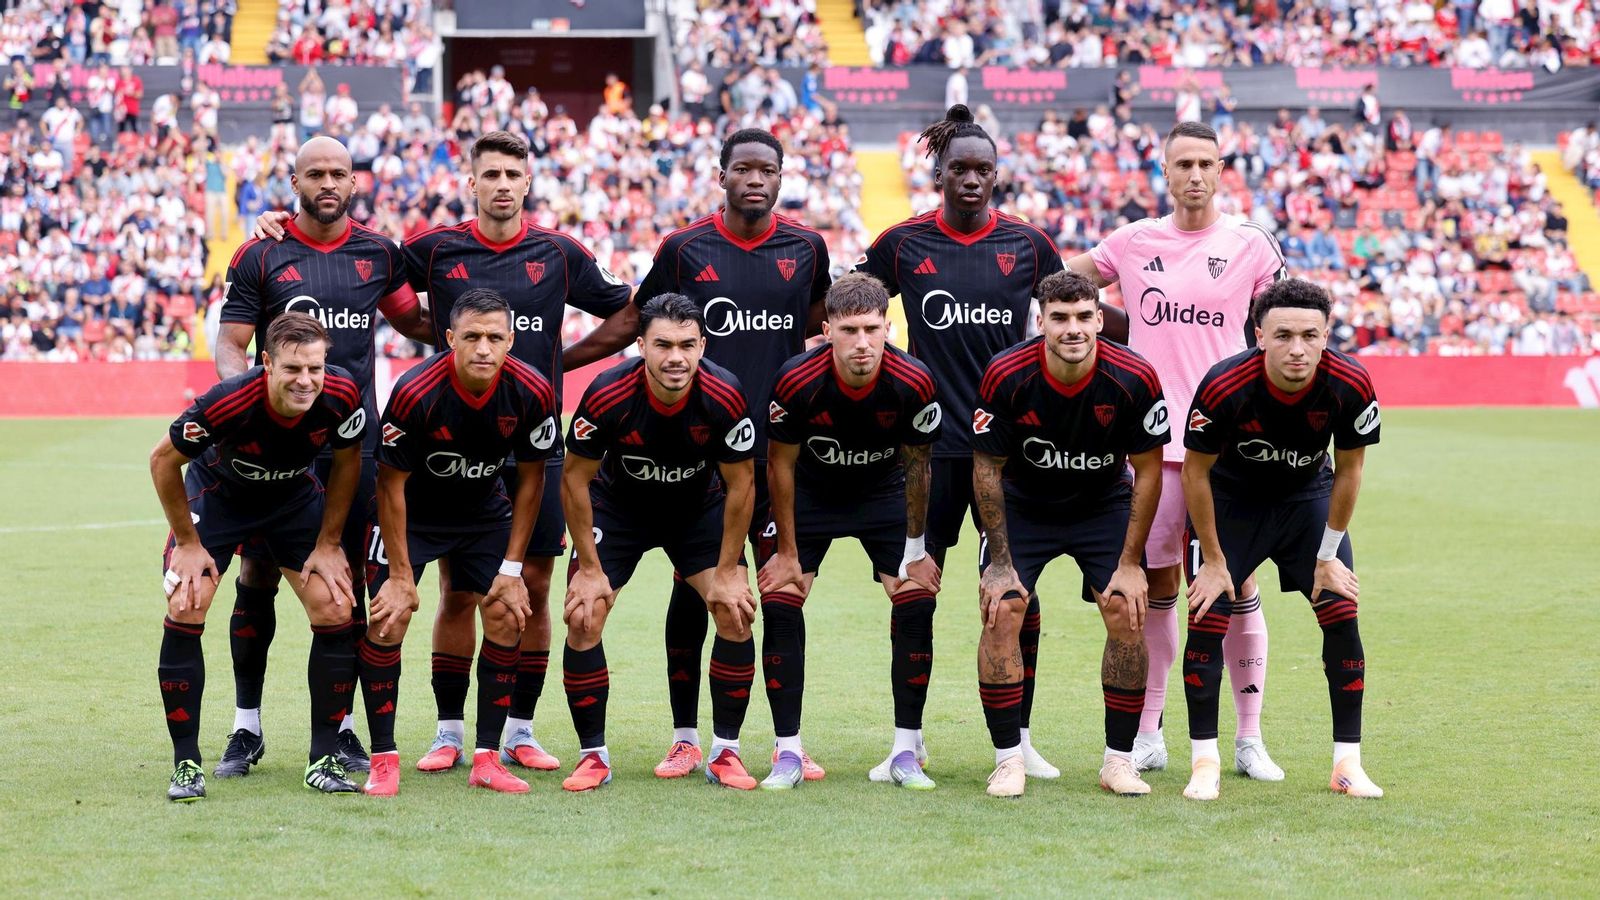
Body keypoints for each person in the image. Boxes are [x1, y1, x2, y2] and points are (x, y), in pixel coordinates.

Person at [253, 130, 636, 777]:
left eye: (514, 174)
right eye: (492, 175)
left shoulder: (560, 253)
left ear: (529, 182)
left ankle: (517, 730)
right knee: (457, 594)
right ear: (473, 183)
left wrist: (559, 361)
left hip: (530, 440)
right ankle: (450, 733)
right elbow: (361, 263)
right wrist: (283, 231)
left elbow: (627, 311)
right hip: (444, 444)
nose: (504, 185)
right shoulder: (434, 251)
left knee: (530, 588)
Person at [565, 128, 831, 782]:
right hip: (680, 457)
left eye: (766, 169)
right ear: (722, 174)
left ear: (781, 175)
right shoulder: (685, 249)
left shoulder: (807, 247)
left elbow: (823, 322)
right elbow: (636, 319)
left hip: (768, 456)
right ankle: (686, 739)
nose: (754, 179)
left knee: (771, 598)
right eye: (742, 167)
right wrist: (560, 362)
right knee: (693, 596)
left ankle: (782, 743)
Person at [1064, 120, 1289, 781]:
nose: (1194, 174)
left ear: (1223, 170)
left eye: (1206, 163)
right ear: (1164, 173)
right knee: (1158, 589)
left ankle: (1248, 738)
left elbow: (1281, 325)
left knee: (1238, 585)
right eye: (1182, 164)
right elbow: (1063, 282)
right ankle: (1149, 732)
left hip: (1227, 448)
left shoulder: (1249, 246)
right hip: (1151, 445)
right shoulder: (1132, 242)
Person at [856, 103, 1066, 781]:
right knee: (915, 593)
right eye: (959, 168)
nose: (971, 179)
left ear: (997, 175)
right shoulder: (903, 244)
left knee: (1015, 595)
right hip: (927, 453)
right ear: (939, 173)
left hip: (1008, 455)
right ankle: (905, 742)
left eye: (983, 169)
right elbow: (850, 309)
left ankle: (1021, 739)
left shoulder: (1030, 245)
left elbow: (1069, 322)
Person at [215, 136, 432, 780]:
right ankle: (245, 727)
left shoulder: (377, 252)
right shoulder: (261, 252)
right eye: (316, 174)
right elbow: (232, 346)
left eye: (339, 172)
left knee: (348, 587)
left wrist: (496, 329)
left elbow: (414, 322)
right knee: (256, 579)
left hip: (352, 448)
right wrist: (240, 403)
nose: (328, 183)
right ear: (294, 181)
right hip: (278, 447)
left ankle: (337, 731)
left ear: (355, 181)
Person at [1178, 278, 1383, 801]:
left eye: (1310, 335)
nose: (1298, 348)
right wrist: (1216, 561)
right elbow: (1195, 474)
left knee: (1342, 612)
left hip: (1305, 500)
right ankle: (1205, 761)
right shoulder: (1224, 385)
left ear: (1326, 334)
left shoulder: (1351, 383)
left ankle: (1347, 764)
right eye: (1284, 334)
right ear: (1259, 336)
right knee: (1208, 613)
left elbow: (1350, 469)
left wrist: (1328, 554)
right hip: (1231, 502)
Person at [151, 312, 368, 801]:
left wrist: (329, 543)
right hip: (220, 498)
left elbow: (349, 460)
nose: (306, 380)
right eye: (293, 369)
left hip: (292, 500)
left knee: (336, 605)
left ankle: (322, 759)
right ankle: (187, 765)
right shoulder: (230, 401)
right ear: (266, 362)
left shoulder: (341, 394)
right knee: (187, 601)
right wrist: (187, 543)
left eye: (314, 367)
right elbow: (163, 459)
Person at [969, 271, 1169, 798]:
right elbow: (987, 468)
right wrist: (1000, 562)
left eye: (1084, 317)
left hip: (1101, 505)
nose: (1073, 328)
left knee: (1127, 609)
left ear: (1100, 320)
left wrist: (1129, 563)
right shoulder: (1006, 374)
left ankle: (1118, 762)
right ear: (1042, 322)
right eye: (1060, 318)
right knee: (1003, 607)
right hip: (1023, 505)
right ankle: (1008, 760)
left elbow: (1148, 471)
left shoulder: (1134, 376)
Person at [360, 289, 562, 796]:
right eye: (471, 336)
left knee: (505, 610)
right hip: (414, 513)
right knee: (388, 617)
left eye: (496, 337)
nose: (484, 348)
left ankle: (488, 758)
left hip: (483, 509)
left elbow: (533, 479)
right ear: (450, 338)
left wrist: (512, 570)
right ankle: (385, 758)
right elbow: (390, 484)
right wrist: (402, 576)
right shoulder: (415, 391)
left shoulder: (532, 391)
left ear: (511, 340)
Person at [559, 294, 758, 792]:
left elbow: (742, 485)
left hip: (697, 510)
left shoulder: (725, 393)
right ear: (641, 345)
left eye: (688, 345)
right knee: (585, 613)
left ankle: (725, 752)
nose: (676, 357)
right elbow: (574, 480)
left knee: (734, 612)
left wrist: (731, 569)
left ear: (702, 345)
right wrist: (587, 567)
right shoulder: (607, 393)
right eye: (664, 344)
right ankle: (593, 757)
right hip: (619, 510)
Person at [755, 274, 943, 790]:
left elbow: (920, 467)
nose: (862, 342)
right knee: (780, 596)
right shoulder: (796, 380)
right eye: (850, 330)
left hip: (882, 492)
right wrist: (788, 551)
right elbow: (780, 468)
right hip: (811, 493)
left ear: (889, 327)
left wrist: (915, 549)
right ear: (827, 329)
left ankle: (905, 751)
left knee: (916, 598)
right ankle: (787, 752)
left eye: (872, 329)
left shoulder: (915, 380)